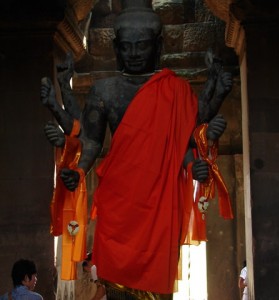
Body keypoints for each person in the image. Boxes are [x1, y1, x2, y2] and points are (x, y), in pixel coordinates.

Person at [40, 0, 233, 299]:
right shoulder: (105, 91)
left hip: (160, 200)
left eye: (141, 46)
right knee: (115, 282)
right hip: (120, 200)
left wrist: (194, 162)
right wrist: (79, 170)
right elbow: (91, 140)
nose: (133, 54)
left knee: (158, 280)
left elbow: (187, 136)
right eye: (126, 47)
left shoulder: (175, 90)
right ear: (116, 48)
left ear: (157, 46)